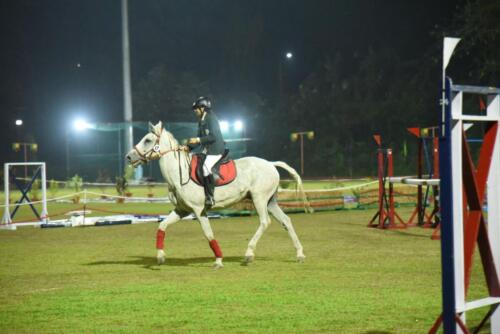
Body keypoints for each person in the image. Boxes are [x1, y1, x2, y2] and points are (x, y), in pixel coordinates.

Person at [186, 96, 226, 207]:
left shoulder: (211, 118)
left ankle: (210, 197)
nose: (194, 111)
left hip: (216, 150)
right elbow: (199, 139)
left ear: (203, 108)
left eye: (196, 108)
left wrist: (198, 139)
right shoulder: (201, 121)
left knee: (206, 168)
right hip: (207, 150)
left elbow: (213, 136)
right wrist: (188, 148)